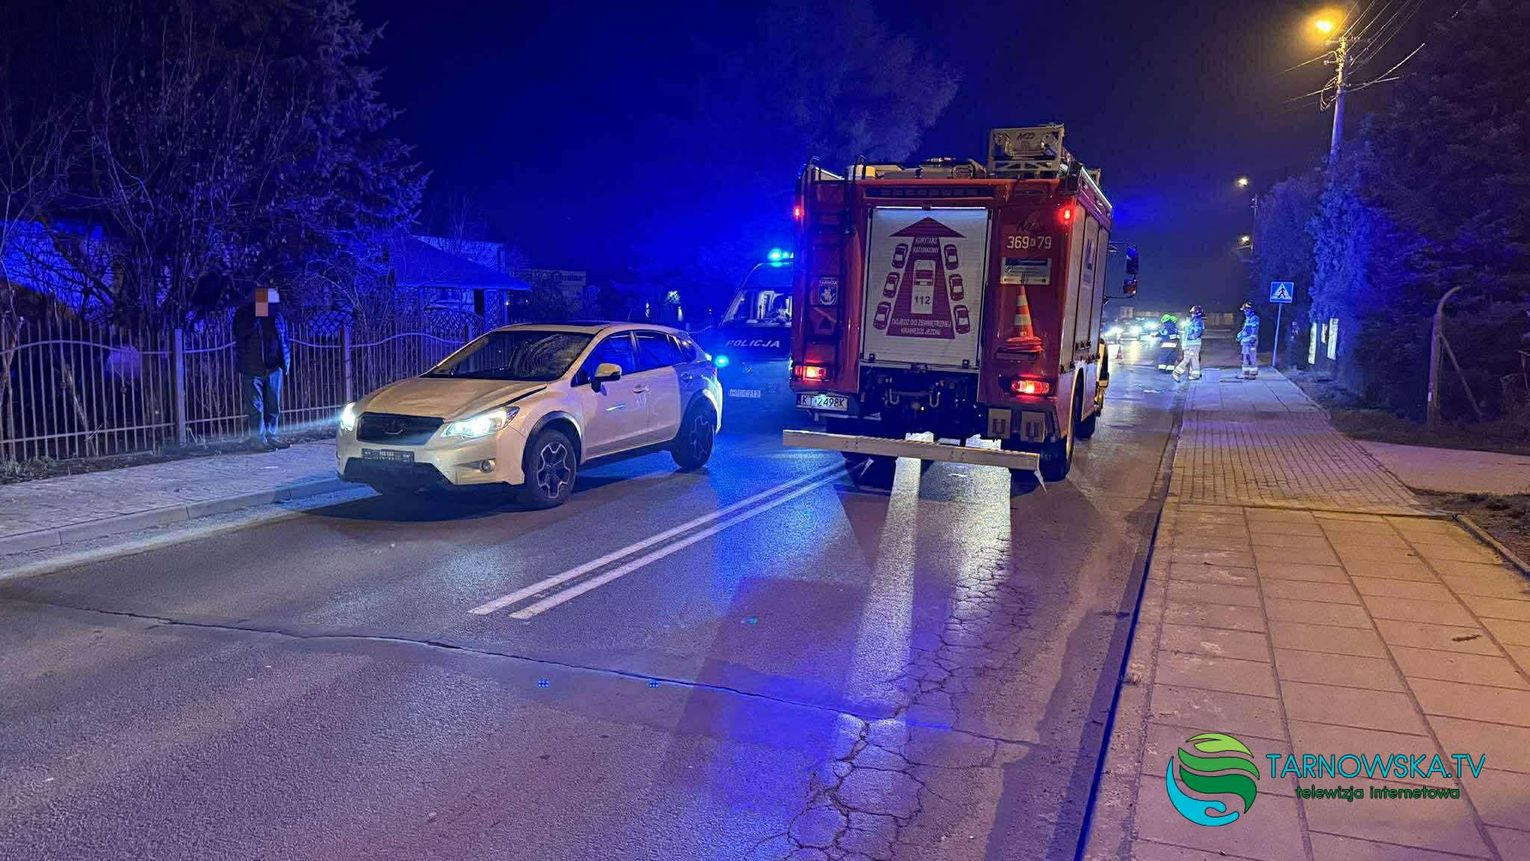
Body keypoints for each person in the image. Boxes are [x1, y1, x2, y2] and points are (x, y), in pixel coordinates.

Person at [233, 287, 291, 450]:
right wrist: (256, 316)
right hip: (252, 368)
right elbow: (240, 332)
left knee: (273, 405)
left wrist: (285, 362)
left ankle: (271, 436)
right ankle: (258, 439)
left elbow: (284, 339)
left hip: (274, 368)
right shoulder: (244, 314)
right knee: (255, 407)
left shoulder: (276, 316)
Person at [1173, 306, 1205, 381]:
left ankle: (1195, 375)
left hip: (1189, 343)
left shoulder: (1192, 322)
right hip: (1193, 344)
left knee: (1194, 359)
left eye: (1193, 313)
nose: (1192, 314)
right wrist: (1191, 338)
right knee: (1189, 359)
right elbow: (1197, 332)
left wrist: (1187, 339)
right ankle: (1176, 373)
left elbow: (1189, 332)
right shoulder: (1198, 321)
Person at [1237, 301, 1261, 379]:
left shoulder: (1254, 318)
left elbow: (1254, 330)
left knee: (1251, 357)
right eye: (1244, 310)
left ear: (1251, 310)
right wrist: (1240, 335)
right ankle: (1245, 373)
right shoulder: (1248, 319)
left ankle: (1253, 374)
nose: (1245, 312)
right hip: (1245, 342)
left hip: (1251, 342)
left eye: (1246, 310)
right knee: (1245, 357)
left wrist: (1252, 339)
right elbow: (1245, 329)